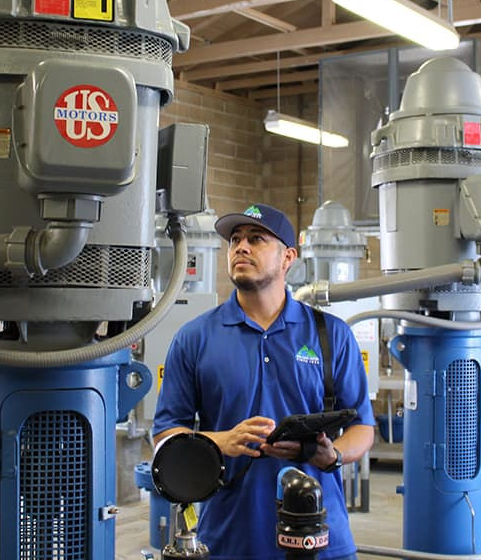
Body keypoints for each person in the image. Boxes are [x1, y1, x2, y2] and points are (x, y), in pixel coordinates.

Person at [152, 203, 375, 560]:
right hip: (228, 540)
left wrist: (331, 455)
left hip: (320, 539)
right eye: (235, 240)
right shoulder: (195, 338)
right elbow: (166, 435)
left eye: (256, 239)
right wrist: (221, 441)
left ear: (288, 258)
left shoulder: (331, 335)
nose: (241, 247)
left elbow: (362, 427)